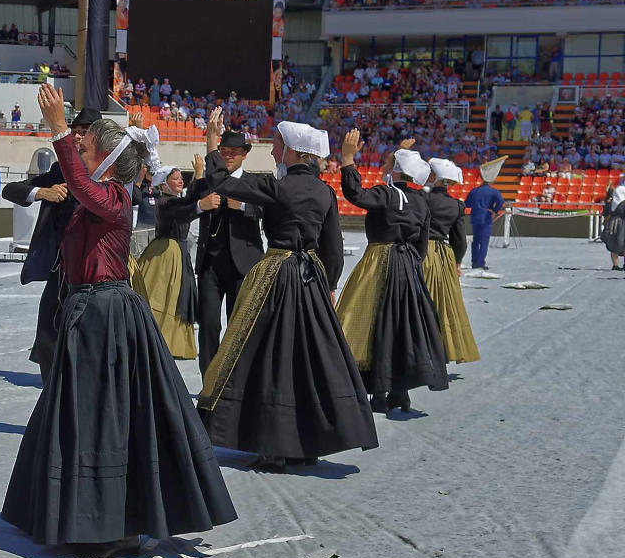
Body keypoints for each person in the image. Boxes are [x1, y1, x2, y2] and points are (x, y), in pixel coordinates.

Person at [1, 84, 234, 558]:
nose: (78, 149)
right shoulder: (102, 195)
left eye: (87, 147)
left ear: (106, 159)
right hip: (89, 313)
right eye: (79, 145)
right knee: (81, 415)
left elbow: (82, 188)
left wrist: (61, 130)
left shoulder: (113, 198)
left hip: (105, 315)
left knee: (100, 418)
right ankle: (81, 513)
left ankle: (109, 520)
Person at [197, 122, 376, 470]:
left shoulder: (277, 187)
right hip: (311, 278)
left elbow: (221, 181)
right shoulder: (325, 193)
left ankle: (271, 444)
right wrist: (330, 284)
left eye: (279, 144)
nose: (274, 149)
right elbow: (333, 249)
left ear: (294, 151)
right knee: (308, 358)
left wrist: (213, 145)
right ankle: (307, 440)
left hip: (276, 274)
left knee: (266, 355)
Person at [336, 138, 448, 417]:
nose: (385, 165)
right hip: (408, 265)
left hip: (380, 262)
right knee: (402, 326)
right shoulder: (421, 201)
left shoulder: (388, 194)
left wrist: (348, 161)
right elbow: (422, 243)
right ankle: (400, 390)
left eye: (389, 163)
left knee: (369, 322)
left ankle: (379, 390)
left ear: (396, 171)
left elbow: (356, 195)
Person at [1, 105, 102, 368]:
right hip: (63, 269)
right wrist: (42, 192)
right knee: (48, 332)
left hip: (101, 271)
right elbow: (11, 190)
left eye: (85, 132)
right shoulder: (60, 170)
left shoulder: (109, 169)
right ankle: (54, 392)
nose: (78, 137)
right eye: (75, 131)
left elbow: (134, 195)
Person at [186, 114, 265, 370]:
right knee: (209, 323)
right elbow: (186, 207)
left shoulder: (256, 181)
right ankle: (209, 379)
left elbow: (269, 211)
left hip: (243, 265)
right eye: (224, 151)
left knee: (239, 323)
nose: (229, 155)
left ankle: (234, 379)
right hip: (211, 263)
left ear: (244, 154)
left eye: (234, 152)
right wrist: (201, 203)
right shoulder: (209, 180)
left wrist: (243, 206)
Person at [129, 158, 198, 360]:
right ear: (164, 184)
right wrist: (199, 176)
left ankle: (170, 342)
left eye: (180, 178)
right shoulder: (166, 202)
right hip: (167, 253)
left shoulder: (173, 201)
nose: (180, 181)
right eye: (175, 178)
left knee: (175, 297)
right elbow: (188, 206)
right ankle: (160, 340)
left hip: (177, 252)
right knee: (162, 296)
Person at [422, 158, 480, 365]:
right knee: (446, 303)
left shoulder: (421, 199)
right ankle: (446, 349)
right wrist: (457, 262)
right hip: (444, 253)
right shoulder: (456, 205)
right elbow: (460, 240)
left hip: (421, 251)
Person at [464, 160, 506, 270]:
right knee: (483, 242)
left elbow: (467, 203)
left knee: (475, 241)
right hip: (486, 217)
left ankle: (474, 262)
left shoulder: (474, 191)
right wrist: (494, 210)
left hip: (475, 217)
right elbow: (501, 201)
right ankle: (480, 263)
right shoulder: (493, 191)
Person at [602, 174, 625, 271]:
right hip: (617, 219)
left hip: (618, 218)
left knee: (618, 242)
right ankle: (615, 265)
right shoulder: (619, 190)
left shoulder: (618, 189)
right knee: (615, 241)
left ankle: (619, 264)